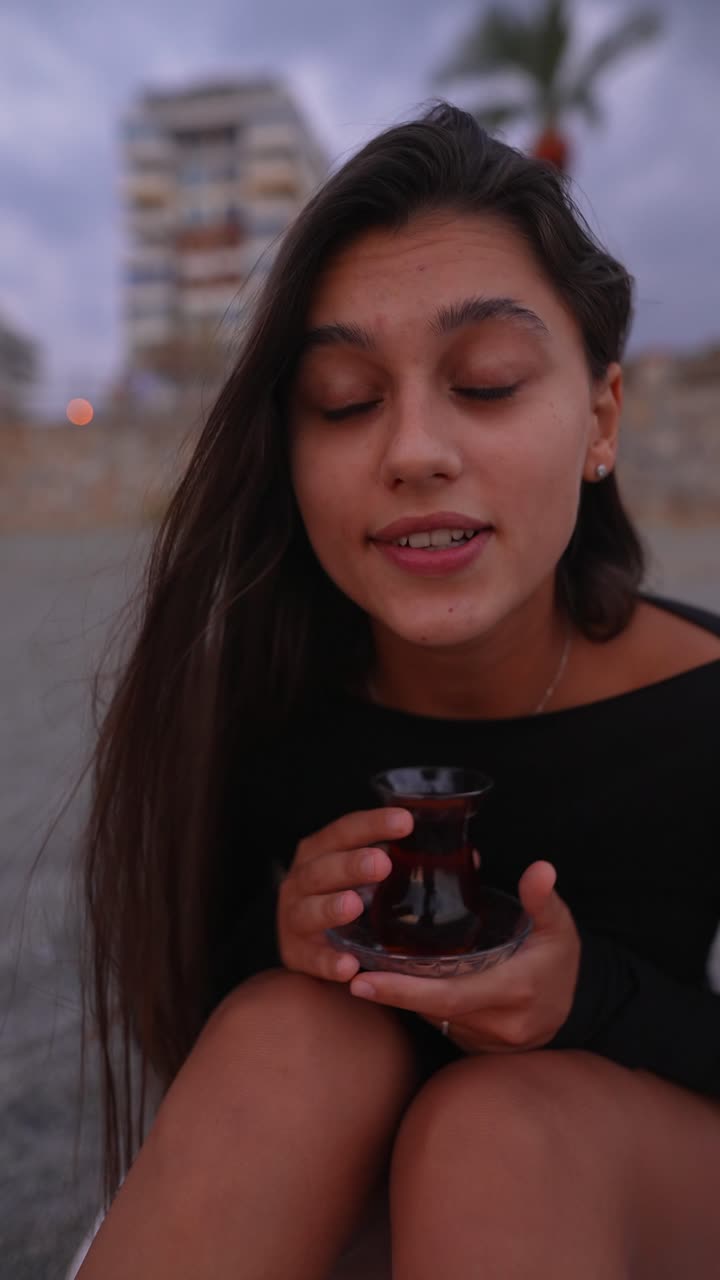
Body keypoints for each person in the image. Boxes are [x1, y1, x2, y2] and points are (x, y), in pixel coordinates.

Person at [75, 104, 720, 1279]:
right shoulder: (260, 702)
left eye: (488, 382)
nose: (414, 448)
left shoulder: (702, 705)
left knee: (499, 1133)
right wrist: (286, 939)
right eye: (344, 399)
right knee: (292, 1029)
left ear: (601, 419)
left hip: (660, 1179)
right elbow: (198, 1014)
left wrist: (591, 997)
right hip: (344, 1176)